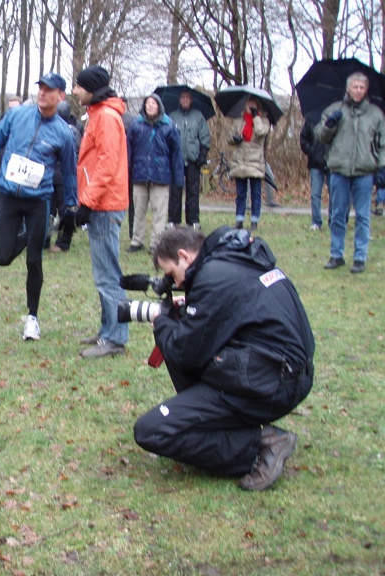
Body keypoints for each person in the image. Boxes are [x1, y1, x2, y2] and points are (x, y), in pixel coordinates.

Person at [133, 226, 315, 491]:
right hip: (287, 374)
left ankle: (262, 445)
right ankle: (221, 423)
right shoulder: (236, 259)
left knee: (150, 430)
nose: (176, 284)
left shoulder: (214, 277)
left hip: (271, 383)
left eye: (172, 274)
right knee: (182, 336)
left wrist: (161, 323)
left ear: (184, 256)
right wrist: (187, 312)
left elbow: (185, 352)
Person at [0, 72, 77, 341]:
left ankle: (32, 318)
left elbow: (69, 173)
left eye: (49, 90)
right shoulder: (17, 116)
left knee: (34, 260)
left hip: (39, 200)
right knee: (1, 257)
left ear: (60, 96)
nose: (42, 93)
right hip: (9, 195)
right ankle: (31, 237)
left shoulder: (63, 133)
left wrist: (71, 207)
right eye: (40, 88)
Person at [71, 65, 129, 357]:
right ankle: (107, 331)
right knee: (103, 273)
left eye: (79, 86)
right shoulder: (99, 114)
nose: (74, 91)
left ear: (91, 88)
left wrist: (87, 202)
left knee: (108, 275)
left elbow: (107, 165)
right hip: (101, 203)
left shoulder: (106, 117)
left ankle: (116, 339)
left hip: (105, 206)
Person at [317, 71, 385, 274]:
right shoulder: (334, 110)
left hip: (365, 171)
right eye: (355, 87)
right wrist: (329, 126)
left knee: (363, 216)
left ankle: (359, 258)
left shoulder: (376, 114)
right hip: (339, 169)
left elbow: (382, 144)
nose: (358, 90)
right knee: (338, 215)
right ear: (348, 88)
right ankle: (336, 254)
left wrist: (381, 166)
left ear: (366, 90)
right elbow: (320, 136)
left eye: (362, 87)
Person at [127, 94, 184, 253]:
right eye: (148, 103)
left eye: (153, 103)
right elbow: (128, 151)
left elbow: (176, 154)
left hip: (161, 175)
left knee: (159, 213)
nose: (150, 106)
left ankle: (156, 244)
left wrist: (178, 179)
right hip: (140, 174)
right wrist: (127, 174)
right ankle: (137, 241)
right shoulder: (135, 125)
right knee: (138, 211)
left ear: (159, 106)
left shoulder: (169, 126)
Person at [168, 90, 210, 228]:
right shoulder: (172, 116)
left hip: (193, 159)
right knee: (175, 191)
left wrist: (203, 154)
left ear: (191, 100)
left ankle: (193, 220)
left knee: (193, 192)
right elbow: (166, 137)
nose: (185, 100)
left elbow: (204, 137)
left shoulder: (198, 116)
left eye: (187, 97)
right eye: (183, 97)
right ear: (179, 100)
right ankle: (173, 221)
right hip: (176, 160)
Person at [47, 99, 82, 253]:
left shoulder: (72, 132)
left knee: (65, 211)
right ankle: (44, 239)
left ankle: (64, 241)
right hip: (50, 175)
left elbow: (76, 154)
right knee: (47, 210)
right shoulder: (48, 128)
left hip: (62, 176)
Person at [229, 97, 269, 231]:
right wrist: (235, 139)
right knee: (240, 193)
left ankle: (254, 221)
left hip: (255, 161)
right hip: (240, 160)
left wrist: (256, 117)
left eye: (253, 104)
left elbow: (260, 132)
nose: (250, 106)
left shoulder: (263, 121)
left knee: (255, 194)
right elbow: (230, 139)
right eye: (249, 103)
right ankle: (239, 219)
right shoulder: (239, 121)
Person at [300, 119, 330, 230]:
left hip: (332, 162)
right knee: (315, 194)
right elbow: (303, 139)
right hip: (315, 163)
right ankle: (316, 222)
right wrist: (311, 152)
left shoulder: (335, 117)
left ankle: (333, 221)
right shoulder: (311, 120)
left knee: (335, 195)